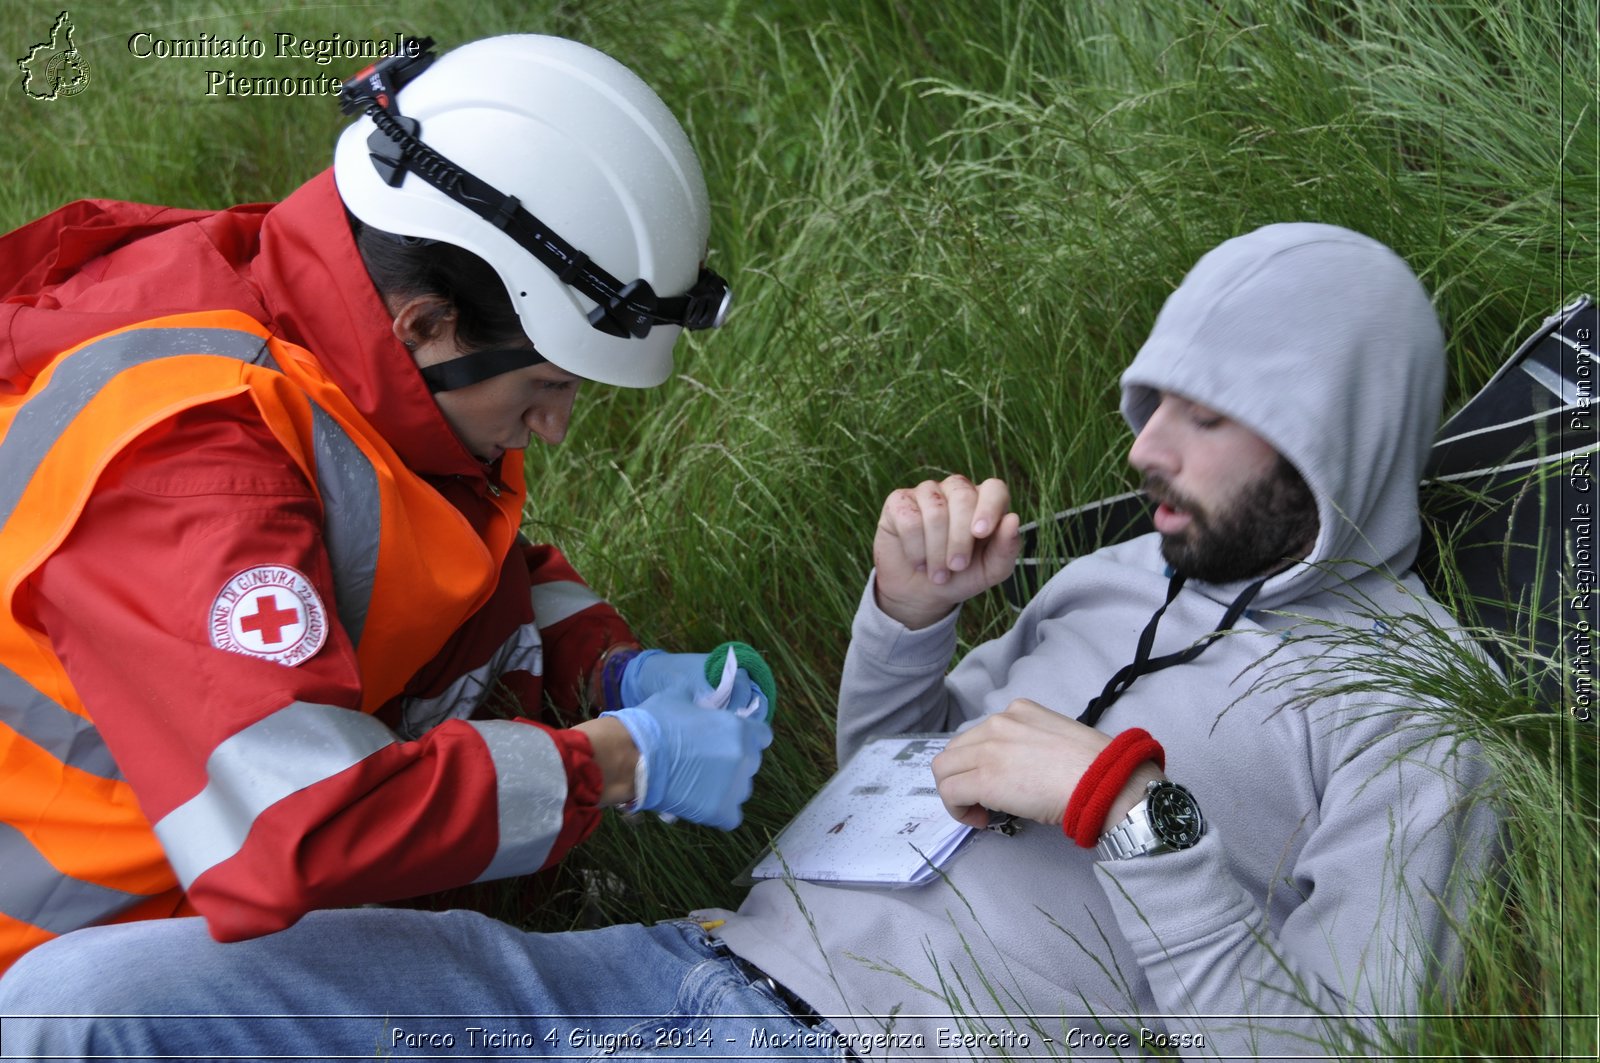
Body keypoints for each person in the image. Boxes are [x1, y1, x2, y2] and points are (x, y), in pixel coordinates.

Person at [0, 223, 1497, 1060]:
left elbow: (1338, 1044)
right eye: (1149, 398)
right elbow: (901, 785)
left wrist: (1132, 809)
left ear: (1329, 440)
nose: (1149, 447)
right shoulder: (1117, 584)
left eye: (1207, 418)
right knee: (72, 1006)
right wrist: (906, 622)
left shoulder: (1418, 720)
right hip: (668, 970)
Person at [0, 34, 775, 978]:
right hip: (84, 959)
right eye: (546, 384)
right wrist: (613, 763)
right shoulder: (190, 466)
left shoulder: (337, 321)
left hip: (196, 885)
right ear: (427, 322)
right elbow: (297, 829)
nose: (559, 425)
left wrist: (611, 674)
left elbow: (429, 572)